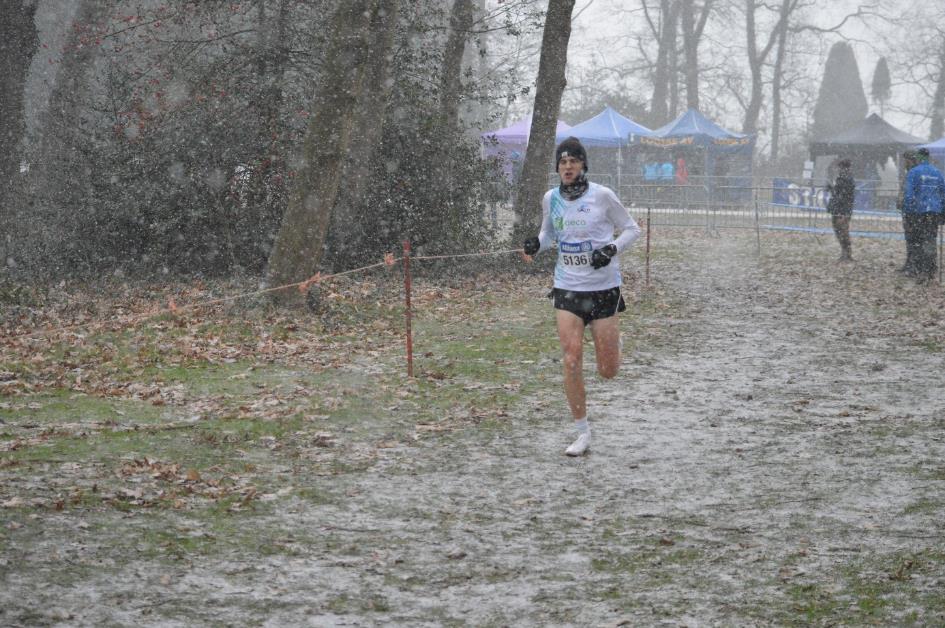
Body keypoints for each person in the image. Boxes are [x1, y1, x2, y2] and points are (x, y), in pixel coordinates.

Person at [522, 137, 641, 456]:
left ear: (583, 165)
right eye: (563, 162)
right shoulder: (551, 198)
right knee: (572, 356)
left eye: (574, 161)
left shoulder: (602, 196)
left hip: (603, 290)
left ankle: (612, 345)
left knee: (608, 371)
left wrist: (611, 249)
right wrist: (537, 243)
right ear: (558, 168)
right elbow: (549, 233)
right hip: (568, 288)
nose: (568, 166)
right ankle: (582, 432)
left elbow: (632, 229)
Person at [902, 147, 945, 282]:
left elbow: (909, 194)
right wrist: (942, 211)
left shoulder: (914, 172)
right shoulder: (938, 173)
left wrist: (908, 211)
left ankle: (922, 271)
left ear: (919, 157)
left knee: (918, 240)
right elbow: (943, 193)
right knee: (930, 239)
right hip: (934, 212)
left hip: (918, 212)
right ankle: (931, 269)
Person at [826, 158, 855, 261]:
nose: (839, 169)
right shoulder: (843, 178)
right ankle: (845, 253)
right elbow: (840, 194)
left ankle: (847, 253)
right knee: (840, 231)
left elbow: (843, 196)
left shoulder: (846, 178)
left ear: (843, 167)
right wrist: (832, 189)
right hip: (840, 208)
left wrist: (833, 190)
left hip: (842, 209)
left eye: (840, 167)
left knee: (842, 231)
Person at [897, 150, 919, 275]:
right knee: (909, 238)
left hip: (912, 211)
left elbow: (910, 192)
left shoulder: (914, 173)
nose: (904, 163)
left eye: (905, 160)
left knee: (913, 238)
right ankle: (909, 262)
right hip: (907, 210)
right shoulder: (909, 173)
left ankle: (913, 264)